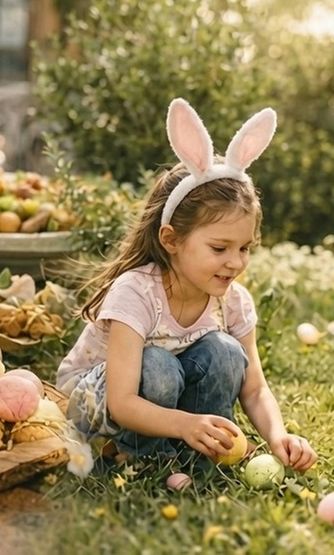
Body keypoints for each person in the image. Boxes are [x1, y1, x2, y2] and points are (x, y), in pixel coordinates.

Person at [55, 98, 317, 478]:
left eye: (244, 248)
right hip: (98, 400)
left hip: (164, 398)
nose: (235, 261)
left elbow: (254, 389)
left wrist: (279, 437)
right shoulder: (136, 292)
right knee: (159, 364)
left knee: (227, 354)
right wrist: (183, 424)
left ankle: (199, 452)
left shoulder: (232, 300)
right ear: (171, 240)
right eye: (219, 248)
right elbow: (123, 400)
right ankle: (137, 455)